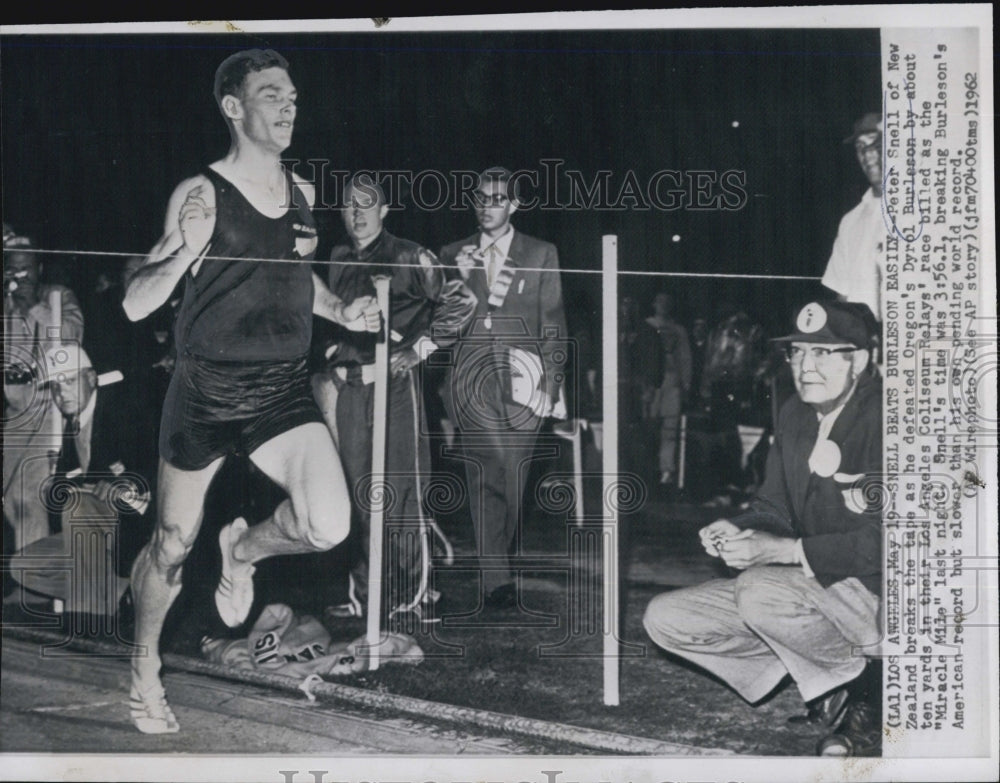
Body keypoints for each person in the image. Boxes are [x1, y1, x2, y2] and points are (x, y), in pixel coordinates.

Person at [121, 49, 380, 734]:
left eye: (292, 94)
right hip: (204, 393)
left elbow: (296, 280)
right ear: (234, 108)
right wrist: (182, 248)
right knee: (172, 543)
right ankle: (145, 664)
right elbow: (135, 305)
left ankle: (243, 552)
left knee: (329, 523)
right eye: (271, 94)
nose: (289, 105)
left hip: (278, 392)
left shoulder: (304, 195)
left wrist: (341, 310)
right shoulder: (200, 192)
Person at [643, 300, 883, 757]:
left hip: (879, 597)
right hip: (814, 590)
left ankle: (876, 692)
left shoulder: (890, 419)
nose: (805, 367)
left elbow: (897, 546)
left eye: (824, 353)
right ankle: (840, 682)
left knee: (759, 590)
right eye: (797, 353)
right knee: (666, 618)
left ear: (861, 360)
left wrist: (786, 552)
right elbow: (773, 505)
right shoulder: (794, 413)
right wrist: (736, 526)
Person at [316, 173, 476, 623]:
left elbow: (460, 303)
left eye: (367, 205)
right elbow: (330, 315)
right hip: (351, 390)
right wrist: (332, 350)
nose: (358, 214)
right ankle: (366, 597)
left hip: (396, 387)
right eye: (349, 206)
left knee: (402, 492)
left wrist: (418, 350)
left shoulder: (409, 254)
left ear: (384, 211)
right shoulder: (339, 256)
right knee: (355, 492)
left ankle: (413, 595)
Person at [439, 167, 567, 612]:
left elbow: (552, 321)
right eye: (480, 197)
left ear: (513, 205)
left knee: (514, 476)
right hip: (471, 376)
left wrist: (552, 384)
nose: (486, 205)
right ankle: (496, 576)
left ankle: (502, 556)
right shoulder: (453, 253)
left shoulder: (540, 253)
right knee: (485, 471)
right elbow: (444, 322)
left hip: (525, 377)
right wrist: (459, 278)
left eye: (496, 198)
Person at [9, 343, 151, 617]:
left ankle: (87, 623)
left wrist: (125, 483)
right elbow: (59, 490)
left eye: (70, 381)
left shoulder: (124, 409)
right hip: (93, 534)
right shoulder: (72, 425)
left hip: (136, 529)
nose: (62, 393)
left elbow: (157, 461)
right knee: (23, 565)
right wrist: (58, 486)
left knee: (79, 508)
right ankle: (123, 594)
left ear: (91, 378)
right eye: (55, 387)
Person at [3, 226, 86, 554]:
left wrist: (34, 306)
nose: (18, 275)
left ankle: (34, 585)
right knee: (10, 498)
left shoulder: (57, 296)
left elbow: (70, 336)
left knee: (28, 496)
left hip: (46, 408)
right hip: (13, 412)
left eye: (25, 267)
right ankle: (37, 568)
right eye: (11, 267)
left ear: (38, 268)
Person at [822, 112, 886, 324]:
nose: (867, 155)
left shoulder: (926, 213)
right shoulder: (850, 221)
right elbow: (843, 296)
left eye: (876, 144)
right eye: (860, 148)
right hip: (864, 348)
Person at [644, 291, 692, 487]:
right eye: (660, 301)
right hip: (650, 384)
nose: (663, 305)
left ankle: (667, 470)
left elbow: (686, 358)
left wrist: (686, 383)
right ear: (654, 303)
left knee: (670, 429)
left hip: (672, 383)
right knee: (648, 425)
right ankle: (645, 468)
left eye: (667, 302)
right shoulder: (646, 326)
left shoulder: (679, 330)